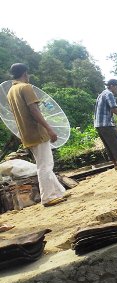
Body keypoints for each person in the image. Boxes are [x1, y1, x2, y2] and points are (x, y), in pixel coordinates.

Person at [6, 63, 66, 207]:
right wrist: (49, 128)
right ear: (25, 73)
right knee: (45, 165)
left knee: (44, 163)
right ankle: (47, 197)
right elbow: (34, 110)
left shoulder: (11, 91)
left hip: (27, 134)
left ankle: (59, 191)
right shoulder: (25, 87)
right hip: (37, 132)